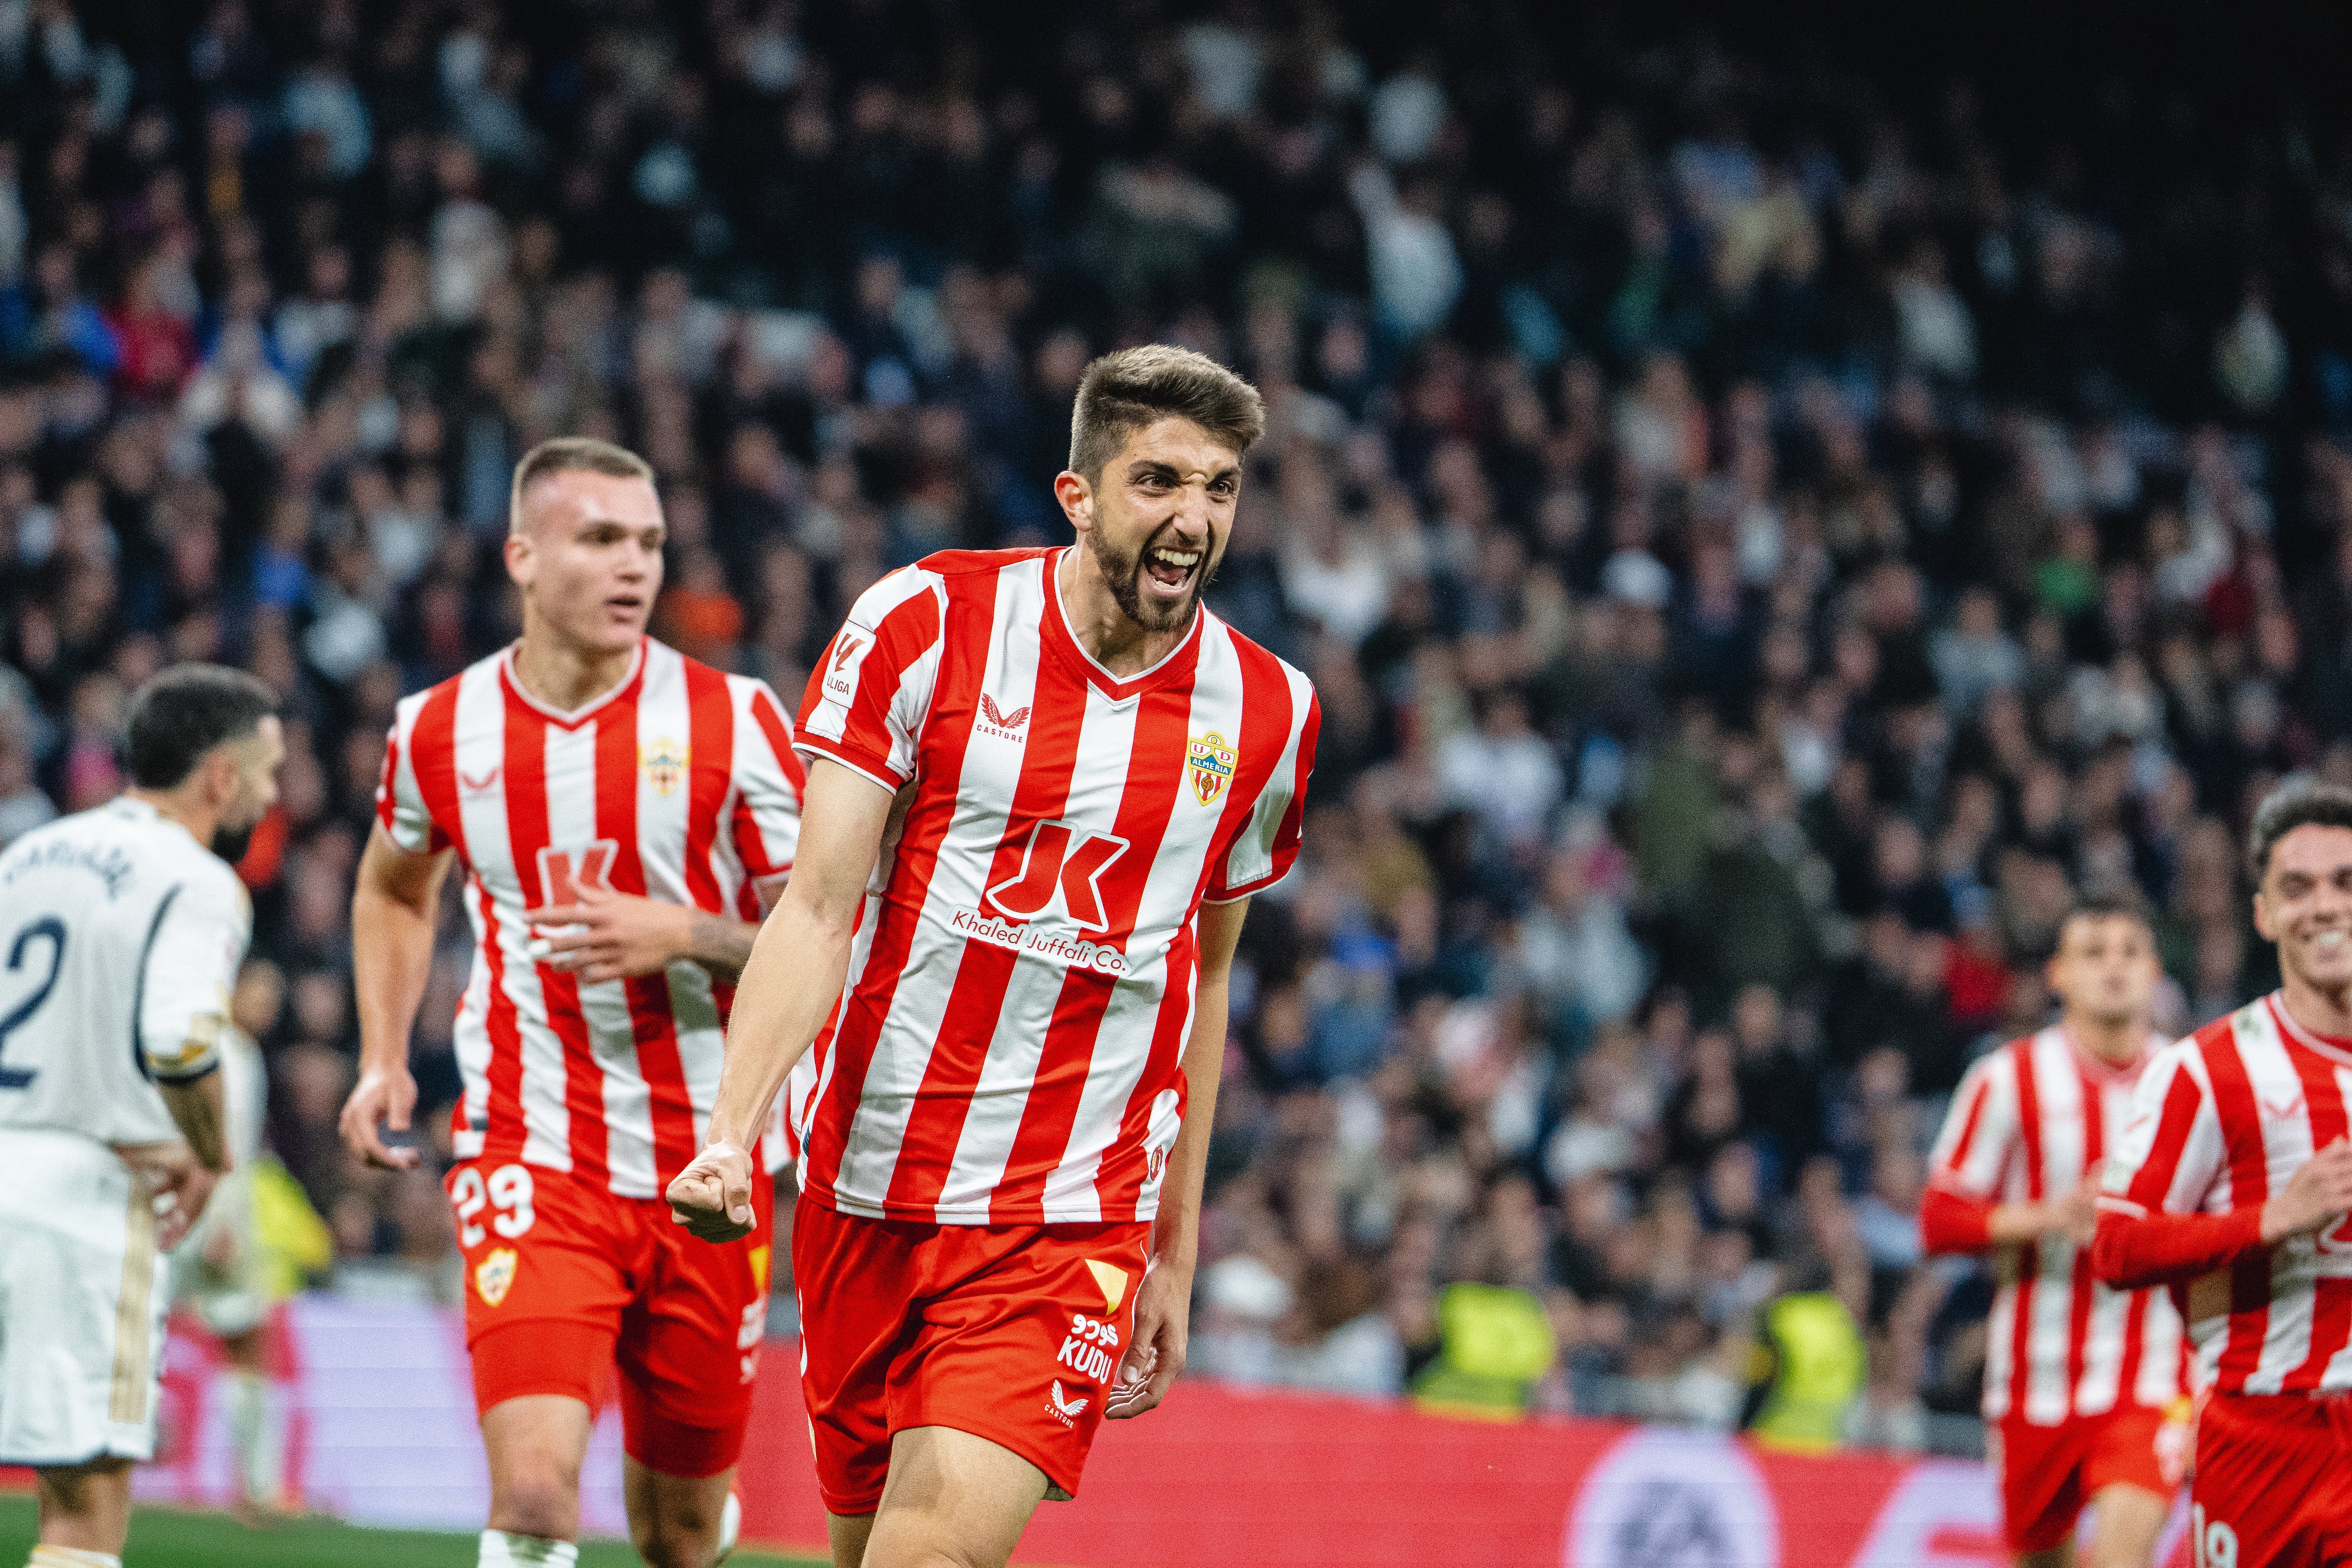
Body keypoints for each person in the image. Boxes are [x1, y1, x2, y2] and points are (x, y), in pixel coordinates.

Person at [666, 344, 1319, 1568]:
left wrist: (1172, 1249)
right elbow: (816, 908)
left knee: (928, 1557)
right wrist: (729, 1131)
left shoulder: (1269, 712)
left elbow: (1210, 977)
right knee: (865, 1548)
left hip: (1066, 1219)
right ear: (1078, 495)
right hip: (871, 1187)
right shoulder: (926, 625)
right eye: (1160, 480)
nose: (1193, 519)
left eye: (1221, 488)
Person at [338, 437, 805, 1568]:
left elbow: (828, 942)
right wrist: (381, 1054)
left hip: (709, 1162)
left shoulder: (733, 719)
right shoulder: (438, 729)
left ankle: (695, 1513)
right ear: (524, 555)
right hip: (530, 1147)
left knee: (680, 1537)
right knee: (537, 1493)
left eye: (647, 541)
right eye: (601, 539)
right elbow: (394, 885)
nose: (634, 565)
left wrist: (684, 932)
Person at [0, 663, 284, 1568]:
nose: (274, 792)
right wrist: (209, 1153)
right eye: (268, 771)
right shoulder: (195, 880)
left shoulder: (30, 853)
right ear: (221, 779)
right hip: (84, 1193)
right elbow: (178, 1041)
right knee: (82, 1511)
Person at [2094, 782, 2352, 1568]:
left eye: (2345, 882)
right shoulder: (2205, 1070)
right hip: (2260, 1439)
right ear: (2264, 915)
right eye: (2297, 888)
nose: (2325, 906)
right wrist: (2273, 1218)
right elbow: (2116, 1247)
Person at [1921, 893, 2186, 1568]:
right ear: (2059, 974)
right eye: (2094, 953)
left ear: (2155, 970)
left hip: (2151, 1373)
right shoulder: (2007, 1079)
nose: (2114, 968)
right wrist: (2052, 1218)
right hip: (2034, 1377)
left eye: (2130, 952)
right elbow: (1940, 1218)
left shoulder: (2190, 1081)